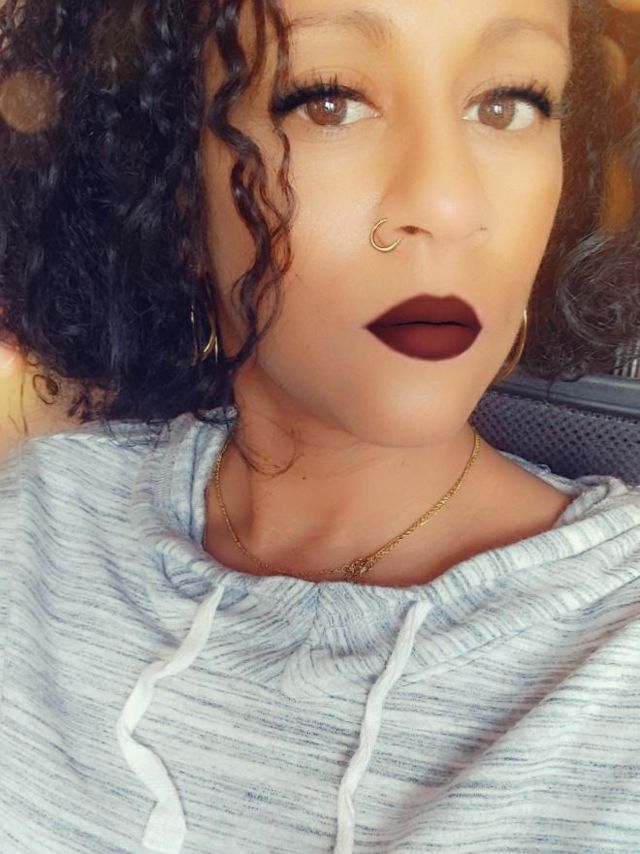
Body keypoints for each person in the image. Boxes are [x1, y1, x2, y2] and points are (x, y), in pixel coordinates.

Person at [1, 0, 640, 852]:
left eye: (507, 103)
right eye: (329, 101)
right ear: (172, 180)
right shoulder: (37, 524)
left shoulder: (617, 659)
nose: (448, 205)